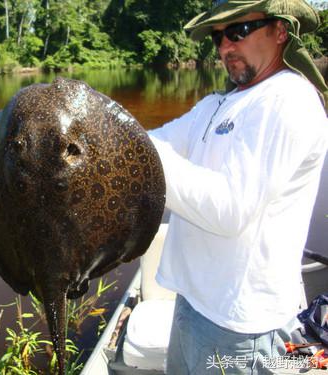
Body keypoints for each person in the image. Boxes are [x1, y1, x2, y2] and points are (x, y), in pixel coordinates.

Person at [148, 0, 328, 374]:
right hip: (192, 303)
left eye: (238, 32)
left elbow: (230, 210)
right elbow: (152, 143)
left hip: (241, 325)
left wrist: (140, 158)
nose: (225, 47)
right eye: (218, 36)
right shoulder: (218, 103)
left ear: (280, 31)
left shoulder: (288, 100)